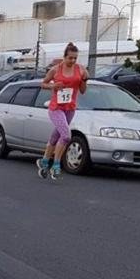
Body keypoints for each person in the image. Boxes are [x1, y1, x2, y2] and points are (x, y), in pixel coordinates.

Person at [37, 42, 89, 180]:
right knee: (66, 135)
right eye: (70, 58)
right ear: (64, 57)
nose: (72, 61)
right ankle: (56, 164)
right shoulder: (55, 70)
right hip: (56, 108)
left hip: (70, 108)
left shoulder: (81, 70)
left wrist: (84, 79)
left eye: (75, 58)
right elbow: (42, 84)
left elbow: (83, 91)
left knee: (55, 137)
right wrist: (53, 86)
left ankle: (43, 162)